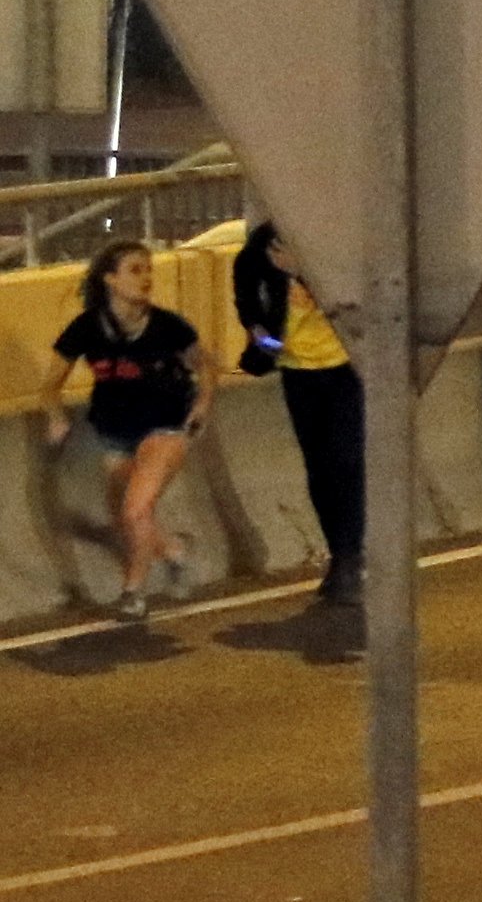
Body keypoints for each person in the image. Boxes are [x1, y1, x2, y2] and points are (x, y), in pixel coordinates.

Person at [43, 241, 212, 621]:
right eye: (135, 270)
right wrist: (56, 416)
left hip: (165, 426)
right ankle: (173, 551)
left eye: (148, 269)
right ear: (110, 279)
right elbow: (50, 386)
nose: (146, 278)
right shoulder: (86, 329)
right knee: (128, 516)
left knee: (136, 510)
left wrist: (201, 407)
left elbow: (207, 369)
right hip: (114, 432)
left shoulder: (169, 327)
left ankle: (132, 593)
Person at [235, 221, 364, 604]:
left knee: (348, 462)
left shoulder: (337, 242)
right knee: (320, 468)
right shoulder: (263, 245)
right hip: (297, 369)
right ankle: (339, 554)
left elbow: (354, 296)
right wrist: (264, 336)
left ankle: (350, 557)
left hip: (345, 365)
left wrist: (301, 273)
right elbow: (244, 292)